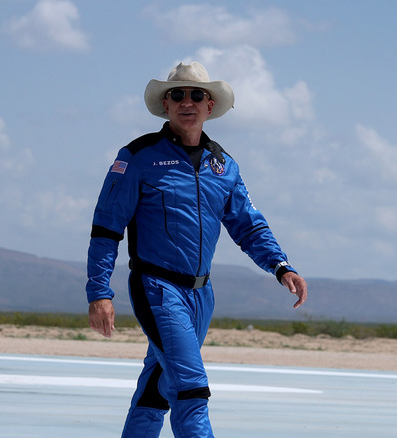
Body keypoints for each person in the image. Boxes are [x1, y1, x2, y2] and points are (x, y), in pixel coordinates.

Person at [86, 61, 308, 437]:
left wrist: (280, 265)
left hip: (201, 295)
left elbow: (248, 225)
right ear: (166, 105)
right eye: (177, 94)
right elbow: (106, 228)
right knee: (191, 389)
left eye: (196, 95)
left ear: (209, 106)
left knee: (156, 388)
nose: (186, 101)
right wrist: (98, 293)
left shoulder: (224, 166)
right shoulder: (138, 157)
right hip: (158, 289)